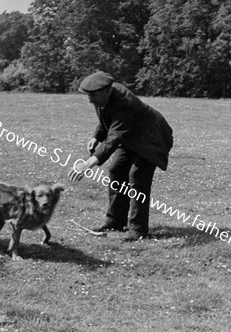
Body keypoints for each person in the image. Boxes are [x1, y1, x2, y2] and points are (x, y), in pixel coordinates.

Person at [68, 71, 174, 241]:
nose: (90, 100)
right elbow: (107, 119)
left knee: (137, 176)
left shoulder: (124, 102)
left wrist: (90, 162)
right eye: (89, 96)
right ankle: (115, 221)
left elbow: (115, 136)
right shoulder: (103, 96)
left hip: (151, 138)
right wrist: (97, 136)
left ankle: (138, 229)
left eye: (93, 96)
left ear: (107, 90)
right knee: (116, 169)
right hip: (131, 137)